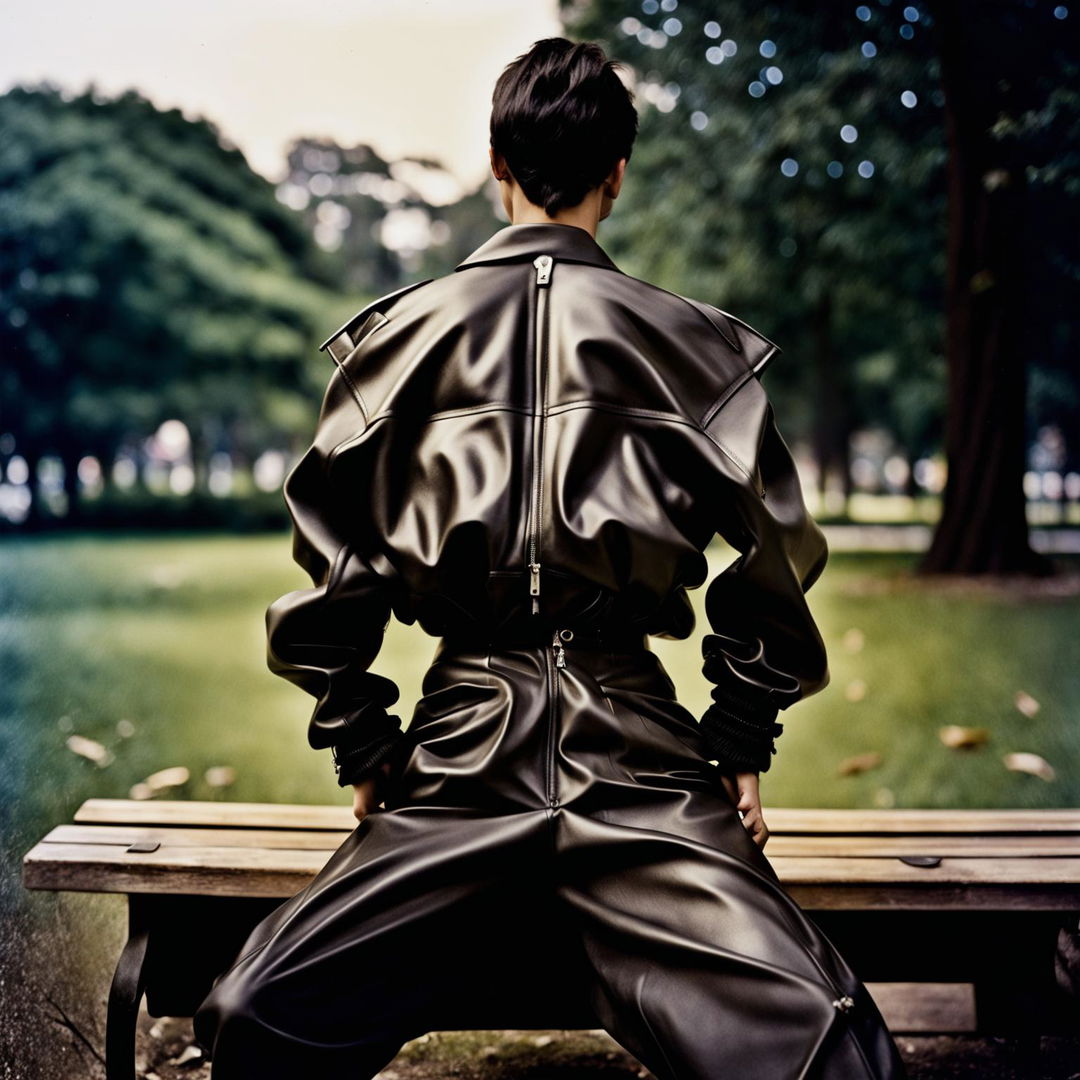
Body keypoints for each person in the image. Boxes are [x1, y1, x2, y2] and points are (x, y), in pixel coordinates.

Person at [193, 36, 908, 1080]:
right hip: (614, 753)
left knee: (259, 1018)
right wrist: (742, 732)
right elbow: (776, 551)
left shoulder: (391, 348)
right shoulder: (693, 346)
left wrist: (362, 742)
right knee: (826, 1046)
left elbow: (330, 575)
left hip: (496, 749)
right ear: (619, 172)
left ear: (496, 161)